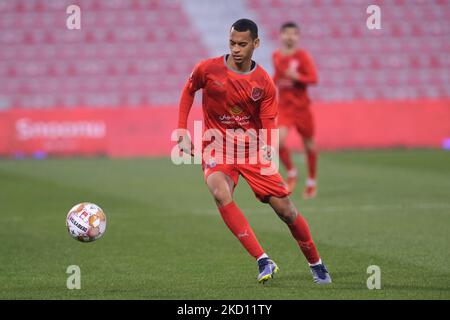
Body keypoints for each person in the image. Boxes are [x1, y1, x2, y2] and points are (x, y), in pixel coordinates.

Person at [176, 19, 331, 284]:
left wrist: (269, 152)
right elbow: (188, 91)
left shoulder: (264, 84)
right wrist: (181, 130)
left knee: (287, 212)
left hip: (252, 152)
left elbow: (269, 123)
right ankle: (263, 260)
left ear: (255, 44)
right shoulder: (207, 69)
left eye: (242, 44)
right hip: (217, 148)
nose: (236, 49)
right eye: (232, 43)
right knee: (219, 192)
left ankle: (316, 263)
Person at [272, 22, 319, 198]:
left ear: (298, 37)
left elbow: (313, 78)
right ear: (281, 35)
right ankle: (292, 172)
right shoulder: (276, 55)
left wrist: (297, 77)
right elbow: (277, 76)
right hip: (284, 107)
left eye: (294, 34)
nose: (290, 37)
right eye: (287, 33)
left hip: (302, 108)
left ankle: (311, 181)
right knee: (279, 142)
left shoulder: (303, 56)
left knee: (309, 145)